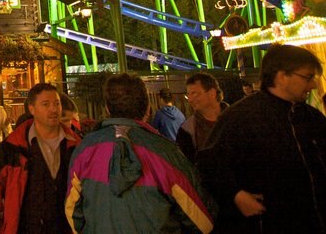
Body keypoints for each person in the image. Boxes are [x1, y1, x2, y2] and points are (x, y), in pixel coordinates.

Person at [66, 73, 213, 233]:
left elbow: (72, 212)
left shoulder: (84, 149)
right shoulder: (165, 152)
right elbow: (202, 221)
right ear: (148, 109)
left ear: (107, 108)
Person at [201, 44, 326, 232]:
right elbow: (209, 164)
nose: (313, 84)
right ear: (282, 76)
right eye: (308, 77)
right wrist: (236, 194)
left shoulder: (312, 117)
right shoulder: (241, 117)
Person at [0, 83, 80, 234]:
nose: (53, 109)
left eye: (56, 104)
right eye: (45, 104)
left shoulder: (76, 146)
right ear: (32, 109)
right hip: (25, 227)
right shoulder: (12, 147)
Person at [177, 72, 226, 163]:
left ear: (212, 93)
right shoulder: (187, 130)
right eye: (188, 95)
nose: (190, 100)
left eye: (194, 94)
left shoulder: (236, 120)